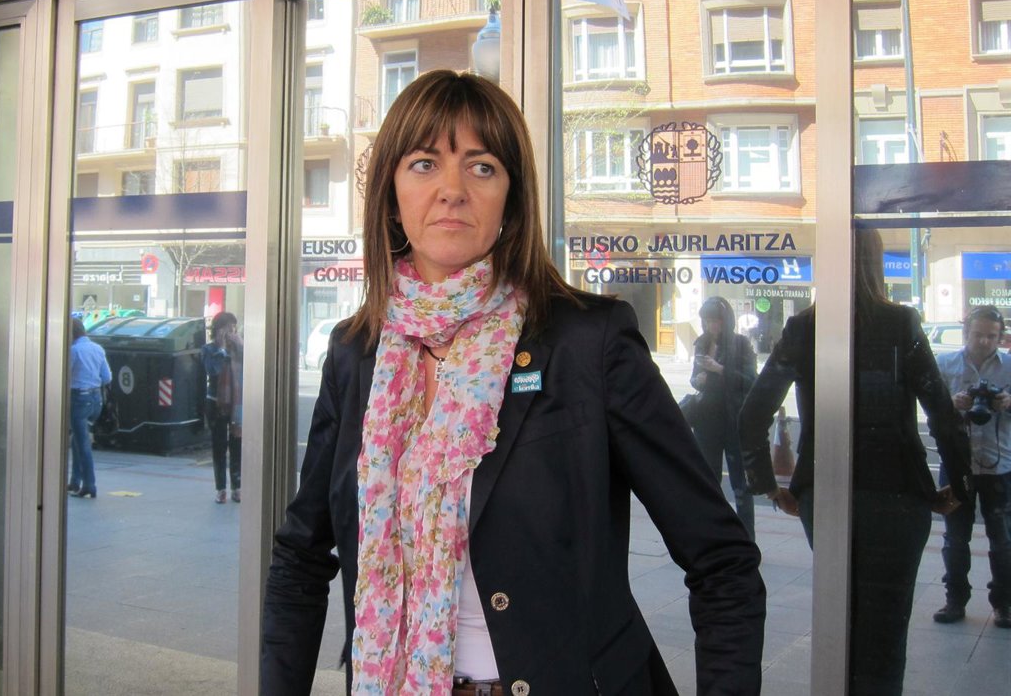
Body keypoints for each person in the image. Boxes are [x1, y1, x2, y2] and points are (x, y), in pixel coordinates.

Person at [262, 70, 764, 695]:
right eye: (424, 164)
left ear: (512, 197)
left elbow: (721, 560)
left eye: (482, 167)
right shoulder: (355, 352)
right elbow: (301, 558)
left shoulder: (588, 341)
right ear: (391, 193)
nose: (452, 190)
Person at [739, 229, 971, 694]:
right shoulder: (902, 324)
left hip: (824, 494)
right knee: (888, 627)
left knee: (841, 614)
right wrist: (960, 487)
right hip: (898, 497)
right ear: (877, 264)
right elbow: (942, 414)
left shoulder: (804, 328)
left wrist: (770, 487)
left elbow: (751, 416)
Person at [930, 305, 1011, 628]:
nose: (985, 341)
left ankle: (1004, 604)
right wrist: (950, 403)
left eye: (992, 336)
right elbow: (929, 408)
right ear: (966, 333)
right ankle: (954, 600)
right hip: (957, 465)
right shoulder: (944, 363)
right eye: (978, 334)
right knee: (955, 538)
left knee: (1003, 540)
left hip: (1000, 466)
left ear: (1001, 336)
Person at [689, 296, 758, 539]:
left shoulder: (740, 344)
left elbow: (750, 381)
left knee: (740, 483)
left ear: (725, 321)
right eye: (708, 321)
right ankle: (713, 533)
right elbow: (694, 377)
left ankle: (746, 536)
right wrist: (698, 379)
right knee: (708, 481)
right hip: (707, 422)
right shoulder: (701, 343)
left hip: (733, 419)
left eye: (716, 321)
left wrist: (719, 369)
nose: (712, 326)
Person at [69, 315, 111, 499]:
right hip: (96, 400)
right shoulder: (98, 348)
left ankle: (89, 485)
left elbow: (64, 375)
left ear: (71, 334)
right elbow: (107, 377)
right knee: (77, 439)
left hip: (79, 398)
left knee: (82, 444)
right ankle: (74, 481)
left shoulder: (74, 350)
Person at [203, 311, 243, 504]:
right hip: (216, 403)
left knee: (237, 445)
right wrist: (221, 349)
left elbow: (251, 365)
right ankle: (220, 489)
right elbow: (213, 370)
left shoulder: (238, 348)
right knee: (219, 447)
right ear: (218, 329)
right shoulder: (209, 349)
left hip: (236, 403)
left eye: (233, 328)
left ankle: (237, 487)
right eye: (227, 328)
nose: (230, 332)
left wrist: (239, 345)